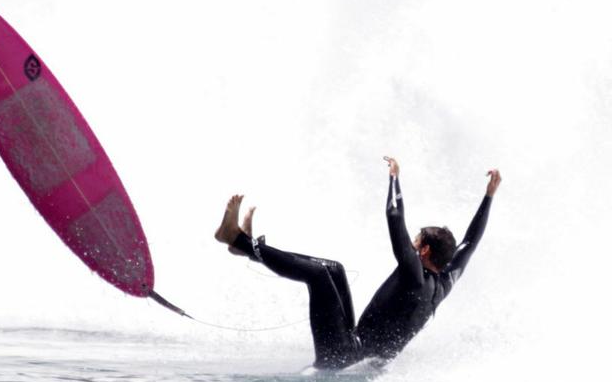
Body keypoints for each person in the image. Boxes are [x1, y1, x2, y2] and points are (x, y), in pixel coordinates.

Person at [214, 157, 501, 370]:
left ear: (424, 250)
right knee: (334, 270)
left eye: (415, 242)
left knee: (319, 276)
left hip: (342, 354)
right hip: (354, 350)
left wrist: (394, 178)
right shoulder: (443, 284)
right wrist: (489, 196)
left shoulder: (415, 273)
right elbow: (469, 244)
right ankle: (252, 248)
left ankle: (237, 240)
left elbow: (394, 217)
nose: (411, 246)